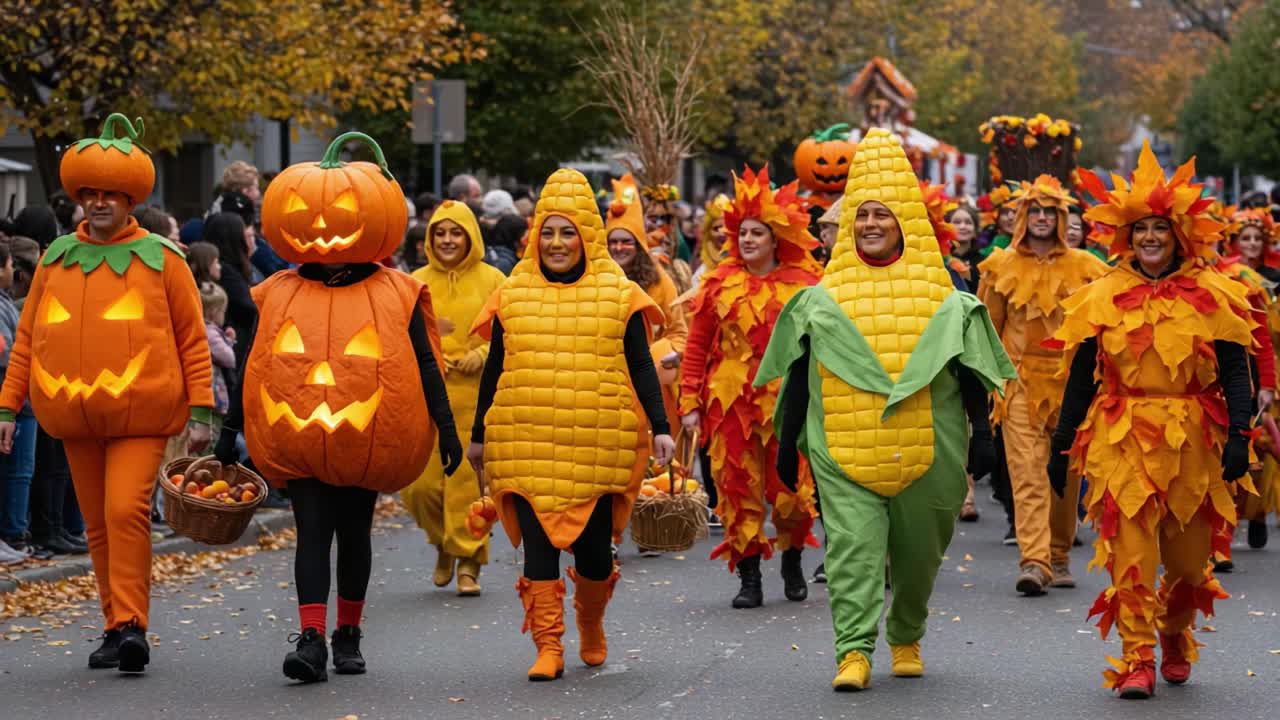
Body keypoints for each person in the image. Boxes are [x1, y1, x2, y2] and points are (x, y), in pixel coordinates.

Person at [760, 128, 1013, 691]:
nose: (871, 224)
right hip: (843, 447)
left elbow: (968, 367)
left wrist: (981, 438)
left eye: (882, 215)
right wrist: (786, 443)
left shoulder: (945, 290)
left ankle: (906, 631)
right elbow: (800, 373)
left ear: (904, 223)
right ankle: (853, 651)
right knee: (853, 554)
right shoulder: (822, 295)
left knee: (919, 559)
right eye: (862, 216)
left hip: (931, 446)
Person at [216, 131, 462, 684]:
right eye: (307, 212)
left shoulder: (395, 292)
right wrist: (228, 432)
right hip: (299, 433)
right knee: (312, 531)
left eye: (342, 211)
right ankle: (310, 639)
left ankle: (347, 633)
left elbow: (425, 364)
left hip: (366, 432)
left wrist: (445, 428)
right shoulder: (278, 292)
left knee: (353, 533)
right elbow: (255, 363)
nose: (324, 224)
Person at [0, 113, 213, 673]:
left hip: (143, 412)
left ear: (129, 200)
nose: (98, 204)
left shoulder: (163, 261)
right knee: (96, 521)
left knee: (125, 512)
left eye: (110, 195)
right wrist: (8, 403)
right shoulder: (55, 258)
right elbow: (29, 336)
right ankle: (114, 624)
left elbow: (193, 338)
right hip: (74, 413)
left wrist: (202, 412)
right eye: (89, 193)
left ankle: (133, 624)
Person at [1048, 142, 1255, 699]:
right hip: (1122, 435)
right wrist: (1062, 441)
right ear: (1127, 238)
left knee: (1188, 567)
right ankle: (1137, 657)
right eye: (1140, 230)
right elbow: (1081, 375)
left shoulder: (1215, 295)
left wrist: (1240, 434)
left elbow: (1238, 371)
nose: (1150, 239)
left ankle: (1172, 635)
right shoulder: (1103, 296)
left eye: (1160, 229)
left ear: (1179, 236)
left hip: (1193, 441)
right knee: (1133, 555)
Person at [466, 167, 674, 681]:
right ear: (535, 234)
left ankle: (590, 622)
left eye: (569, 231)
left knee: (594, 557)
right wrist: (477, 437)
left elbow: (641, 363)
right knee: (538, 552)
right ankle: (549, 646)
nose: (558, 242)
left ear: (588, 237)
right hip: (526, 440)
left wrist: (662, 426)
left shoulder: (617, 293)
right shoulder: (514, 293)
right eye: (549, 231)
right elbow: (496, 364)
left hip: (597, 444)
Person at [679, 165, 822, 608]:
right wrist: (688, 401)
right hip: (729, 404)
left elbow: (822, 347)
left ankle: (793, 557)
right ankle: (749, 577)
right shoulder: (719, 283)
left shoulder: (805, 285)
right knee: (737, 490)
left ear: (776, 238)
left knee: (791, 493)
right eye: (742, 232)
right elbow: (698, 345)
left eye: (756, 233)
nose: (747, 240)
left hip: (787, 401)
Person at [977, 175, 1109, 593]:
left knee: (1065, 475)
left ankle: (1058, 554)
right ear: (1021, 217)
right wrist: (988, 383)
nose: (1041, 218)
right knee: (1027, 473)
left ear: (1062, 217)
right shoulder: (1000, 266)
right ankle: (1033, 561)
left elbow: (1103, 331)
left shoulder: (1087, 267)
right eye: (1034, 210)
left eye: (1050, 211)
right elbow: (986, 329)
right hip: (1018, 384)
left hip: (1072, 385)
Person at [401, 200, 505, 596]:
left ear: (470, 236)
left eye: (455, 232)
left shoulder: (494, 278)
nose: (447, 240)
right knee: (420, 488)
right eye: (439, 233)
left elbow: (510, 331)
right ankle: (444, 543)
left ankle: (469, 564)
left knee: (469, 486)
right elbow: (400, 334)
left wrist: (482, 353)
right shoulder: (415, 281)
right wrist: (430, 357)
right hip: (427, 400)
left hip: (476, 402)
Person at [605, 176, 688, 454]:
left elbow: (679, 331)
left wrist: (664, 353)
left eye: (626, 242)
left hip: (653, 387)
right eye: (613, 242)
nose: (619, 248)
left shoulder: (659, 280)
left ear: (638, 243)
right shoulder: (595, 278)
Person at [201, 212, 257, 367]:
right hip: (234, 347)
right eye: (247, 236)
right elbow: (250, 308)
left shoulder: (232, 270)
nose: (252, 242)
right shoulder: (226, 274)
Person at [199, 282, 235, 434]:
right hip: (212, 393)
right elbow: (229, 358)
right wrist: (230, 343)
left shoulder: (209, 330)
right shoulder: (210, 333)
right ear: (214, 312)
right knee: (215, 432)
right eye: (222, 312)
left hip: (211, 393)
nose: (224, 316)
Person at [693, 193, 730, 285]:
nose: (722, 233)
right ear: (708, 234)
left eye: (727, 227)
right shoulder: (700, 275)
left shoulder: (749, 265)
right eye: (716, 228)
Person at [946, 204, 982, 290]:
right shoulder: (940, 259)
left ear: (975, 230)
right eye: (957, 222)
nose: (963, 226)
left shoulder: (983, 262)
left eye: (968, 222)